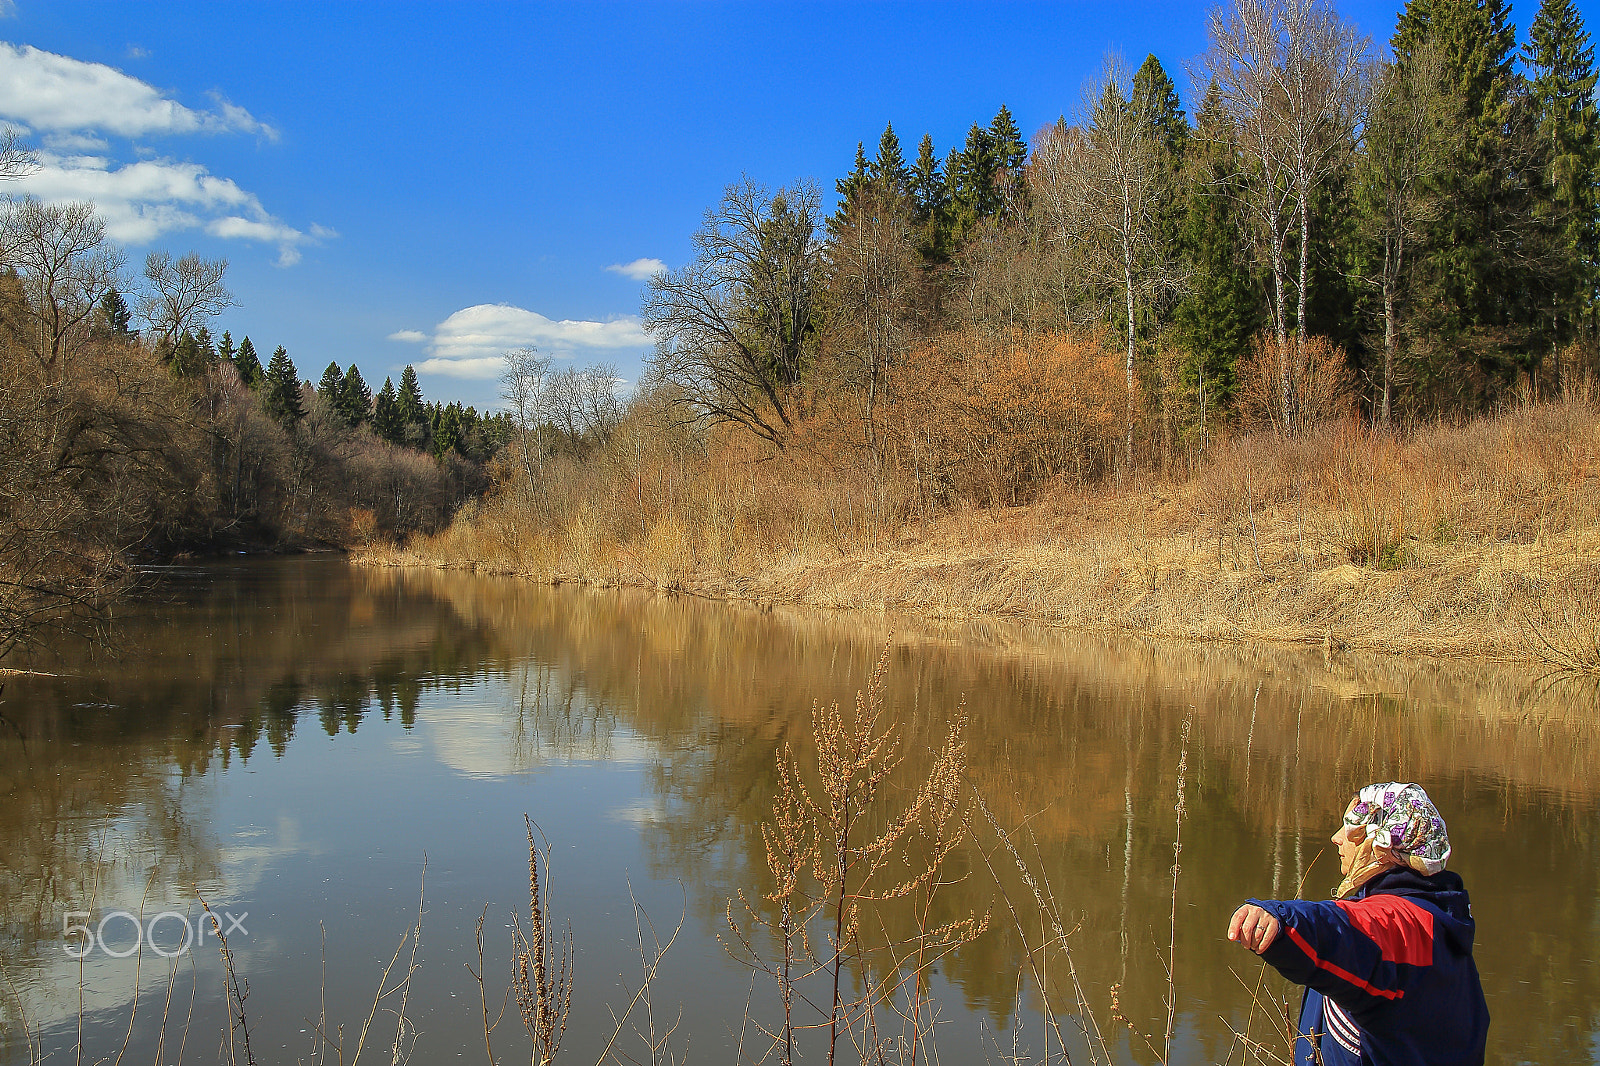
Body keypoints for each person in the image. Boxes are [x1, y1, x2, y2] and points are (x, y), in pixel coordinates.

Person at [1227, 782, 1489, 1066]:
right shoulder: (1439, 921)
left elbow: (1348, 930)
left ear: (1383, 845)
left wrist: (1281, 920)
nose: (1336, 838)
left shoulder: (1401, 923)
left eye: (1353, 828)